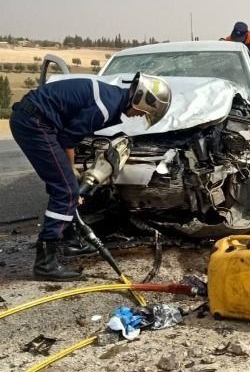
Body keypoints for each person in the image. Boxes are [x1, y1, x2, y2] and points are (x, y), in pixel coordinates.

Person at [10, 73, 172, 281]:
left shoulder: (112, 98)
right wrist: (71, 171)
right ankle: (45, 263)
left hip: (37, 120)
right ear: (140, 99)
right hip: (35, 123)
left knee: (65, 187)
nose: (139, 116)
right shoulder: (105, 107)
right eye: (143, 113)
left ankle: (69, 242)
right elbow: (68, 140)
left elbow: (69, 134)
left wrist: (70, 174)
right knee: (67, 191)